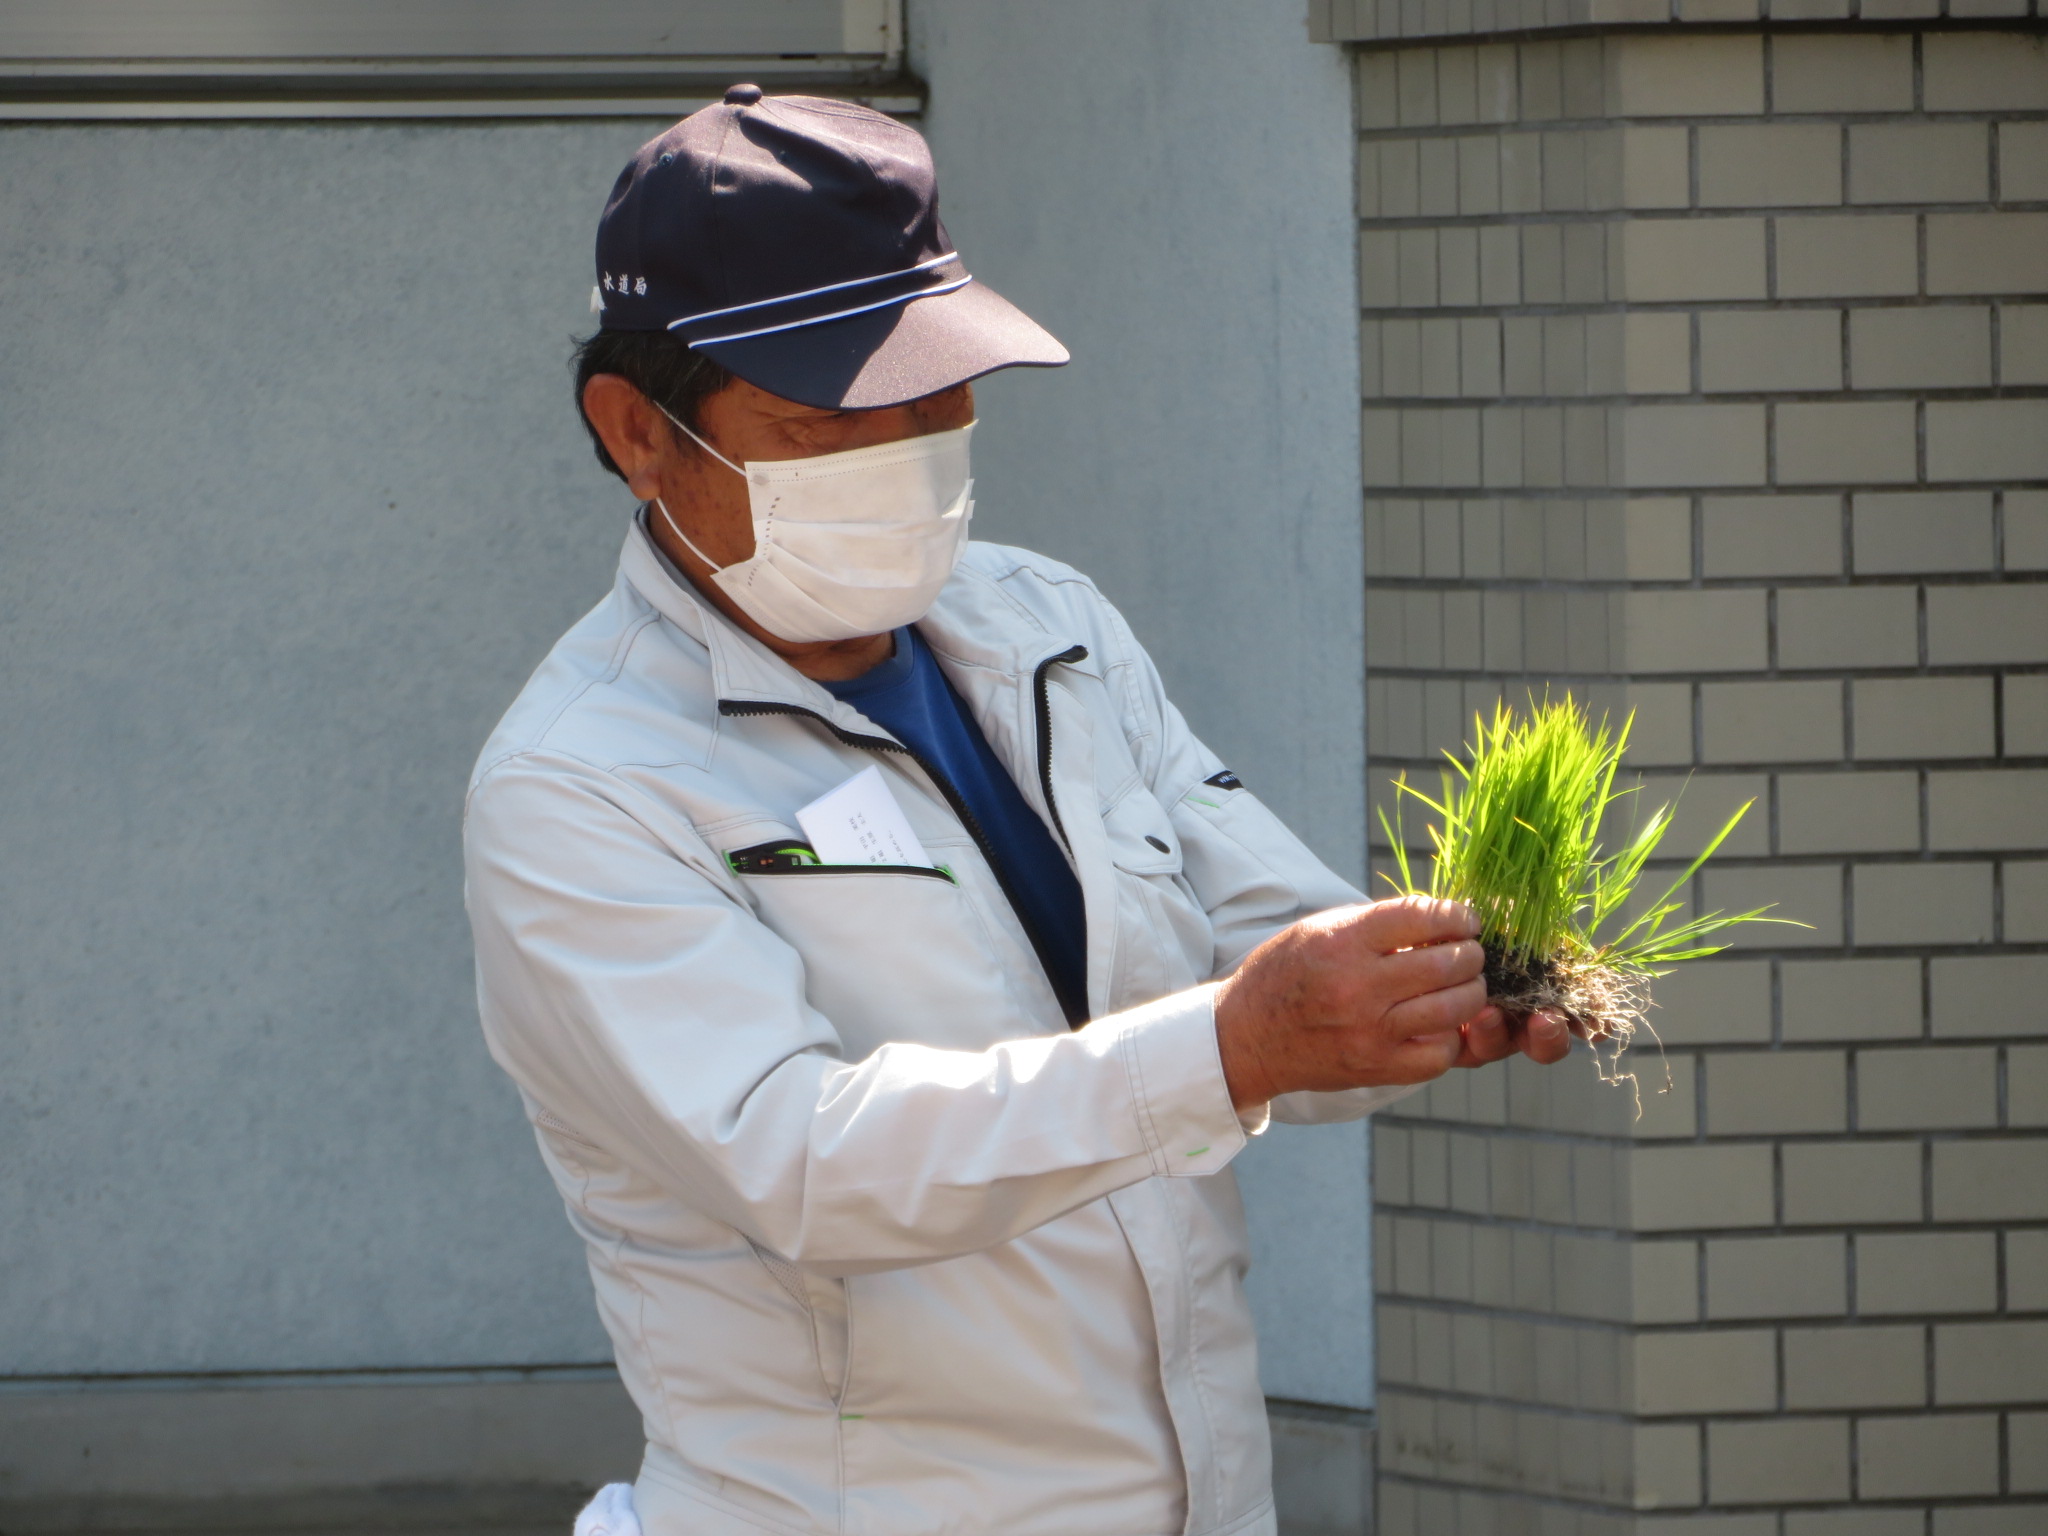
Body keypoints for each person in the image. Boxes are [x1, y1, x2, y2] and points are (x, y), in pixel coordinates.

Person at [462, 87, 1573, 1536]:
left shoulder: (1047, 627)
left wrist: (1421, 996)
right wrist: (1238, 1042)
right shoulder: (582, 781)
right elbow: (800, 1162)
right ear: (639, 432)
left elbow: (1267, 963)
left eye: (938, 398)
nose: (907, 449)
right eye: (829, 417)